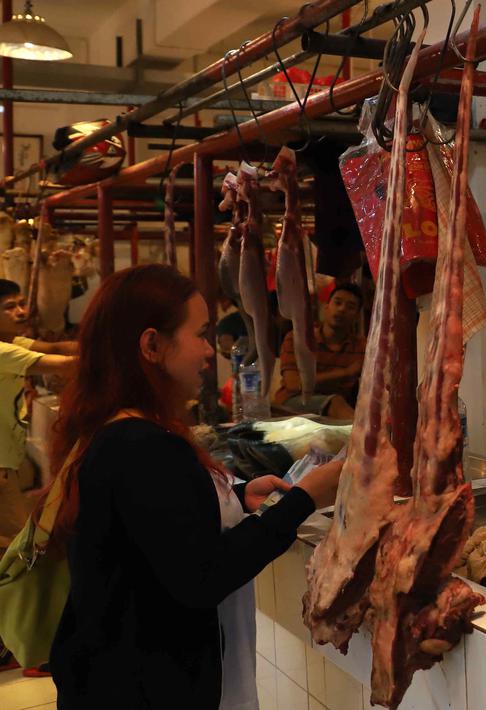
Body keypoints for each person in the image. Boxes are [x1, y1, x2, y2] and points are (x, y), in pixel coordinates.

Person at [45, 265, 343, 709]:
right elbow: (204, 576)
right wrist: (303, 500)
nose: (209, 350)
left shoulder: (116, 429)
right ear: (151, 345)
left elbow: (155, 527)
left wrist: (237, 498)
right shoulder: (140, 445)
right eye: (200, 334)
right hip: (137, 690)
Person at [0, 278, 77, 549]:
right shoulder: (3, 351)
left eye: (21, 304)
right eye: (10, 307)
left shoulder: (12, 341)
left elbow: (56, 348)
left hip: (7, 460)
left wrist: (97, 340)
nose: (21, 311)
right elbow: (65, 364)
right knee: (22, 547)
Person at [271, 282, 364, 419]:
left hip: (336, 409)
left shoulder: (362, 346)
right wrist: (346, 373)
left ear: (356, 317)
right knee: (335, 402)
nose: (342, 309)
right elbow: (293, 384)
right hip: (292, 403)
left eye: (350, 307)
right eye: (337, 303)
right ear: (326, 307)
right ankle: (364, 431)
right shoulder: (298, 338)